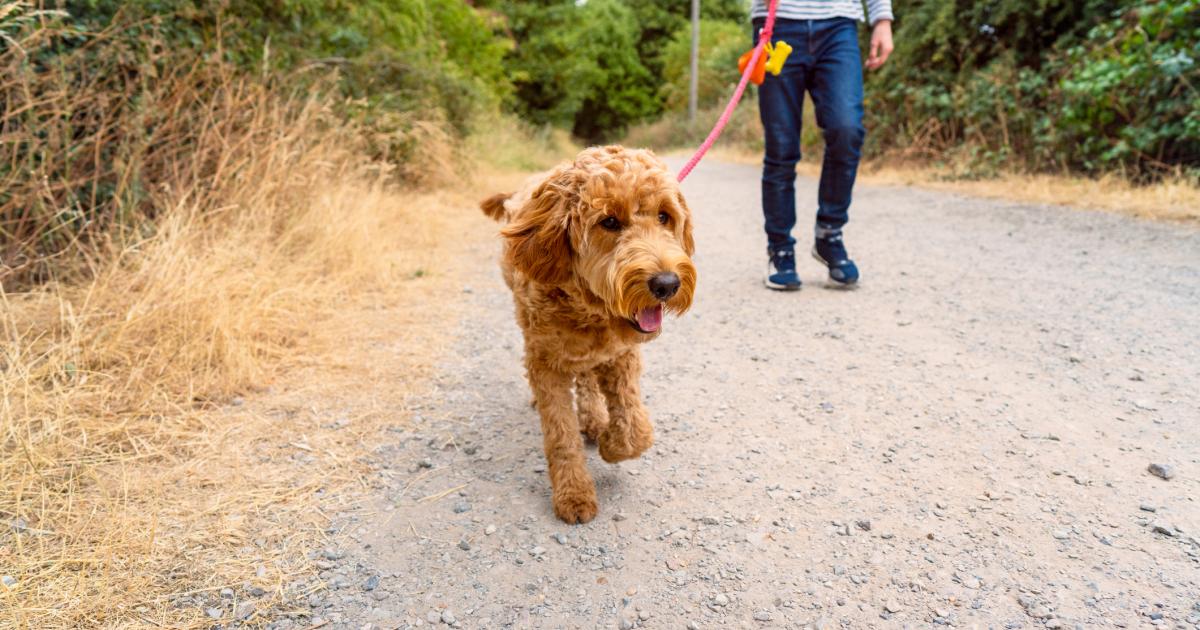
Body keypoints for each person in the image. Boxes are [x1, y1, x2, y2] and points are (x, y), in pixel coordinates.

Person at [750, 0, 894, 290]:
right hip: (778, 23)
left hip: (838, 24)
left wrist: (882, 19)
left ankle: (830, 234)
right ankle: (780, 249)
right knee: (781, 144)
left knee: (847, 129)